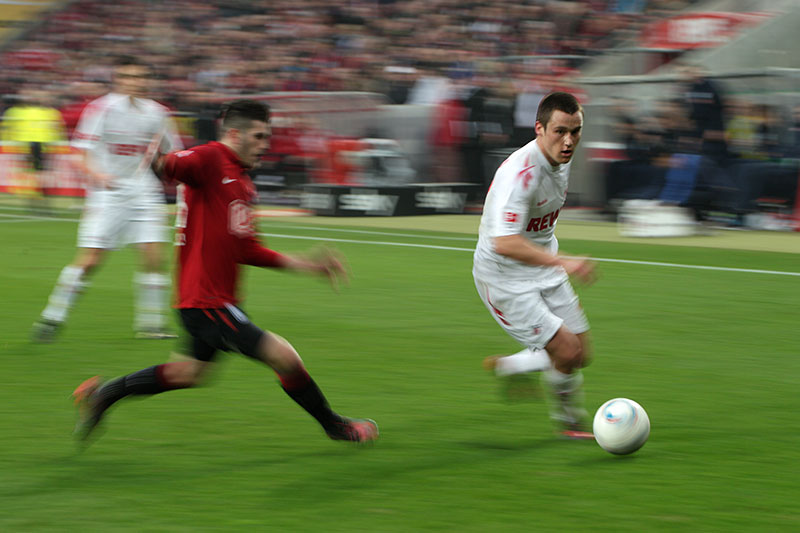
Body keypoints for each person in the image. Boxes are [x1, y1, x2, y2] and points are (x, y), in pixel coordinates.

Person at [72, 99, 379, 445]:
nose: (266, 146)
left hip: (211, 300)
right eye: (260, 137)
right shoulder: (210, 157)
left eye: (268, 137)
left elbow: (246, 249)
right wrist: (156, 158)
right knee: (284, 357)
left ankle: (103, 394)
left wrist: (309, 266)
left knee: (187, 372)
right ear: (235, 133)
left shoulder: (243, 183)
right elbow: (170, 164)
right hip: (207, 301)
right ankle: (335, 427)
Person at [31, 56, 182, 342]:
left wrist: (179, 175)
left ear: (148, 81)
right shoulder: (101, 108)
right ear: (118, 80)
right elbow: (80, 152)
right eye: (128, 76)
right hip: (108, 193)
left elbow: (171, 152)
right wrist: (97, 176)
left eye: (140, 77)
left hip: (144, 191)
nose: (134, 82)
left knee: (154, 256)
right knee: (90, 260)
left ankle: (152, 324)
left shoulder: (158, 113)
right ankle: (53, 316)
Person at [472, 92, 595, 439]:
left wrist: (555, 263)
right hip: (504, 278)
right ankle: (570, 425)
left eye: (576, 131)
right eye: (560, 131)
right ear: (539, 129)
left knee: (581, 353)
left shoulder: (562, 156)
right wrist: (563, 261)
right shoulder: (520, 175)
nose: (569, 141)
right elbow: (505, 242)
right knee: (566, 350)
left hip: (543, 266)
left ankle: (513, 365)